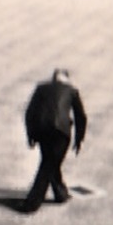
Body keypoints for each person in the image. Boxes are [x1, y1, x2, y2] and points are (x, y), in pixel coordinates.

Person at [21, 68, 88, 214]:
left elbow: (29, 112)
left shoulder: (40, 88)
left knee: (50, 161)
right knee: (48, 165)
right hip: (60, 133)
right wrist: (79, 140)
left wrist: (30, 135)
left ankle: (60, 193)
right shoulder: (72, 91)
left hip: (42, 130)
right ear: (67, 79)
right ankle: (31, 203)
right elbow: (81, 117)